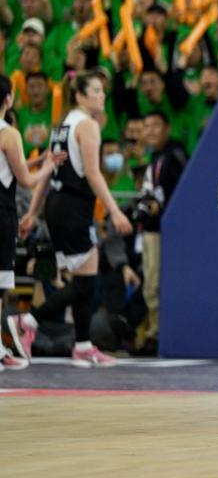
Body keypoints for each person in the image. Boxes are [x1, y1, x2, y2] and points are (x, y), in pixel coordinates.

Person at [8, 71, 133, 367]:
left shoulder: (61, 127)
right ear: (79, 95)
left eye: (102, 91)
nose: (102, 96)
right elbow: (93, 173)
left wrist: (33, 212)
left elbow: (48, 172)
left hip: (58, 205)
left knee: (83, 279)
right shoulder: (87, 125)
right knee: (86, 282)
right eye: (96, 90)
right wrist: (115, 210)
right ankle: (28, 320)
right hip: (74, 207)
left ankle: (83, 345)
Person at [0, 75, 62, 370]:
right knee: (0, 283)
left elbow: (11, 166)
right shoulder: (9, 133)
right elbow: (25, 180)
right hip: (2, 211)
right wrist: (48, 167)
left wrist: (38, 161)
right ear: (9, 98)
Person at [137, 111, 188, 354]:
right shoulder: (154, 157)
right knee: (150, 284)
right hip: (150, 229)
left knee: (155, 285)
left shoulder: (174, 156)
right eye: (146, 126)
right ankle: (152, 332)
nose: (150, 131)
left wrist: (163, 209)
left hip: (164, 233)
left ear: (167, 128)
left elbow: (183, 194)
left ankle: (157, 336)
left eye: (155, 125)